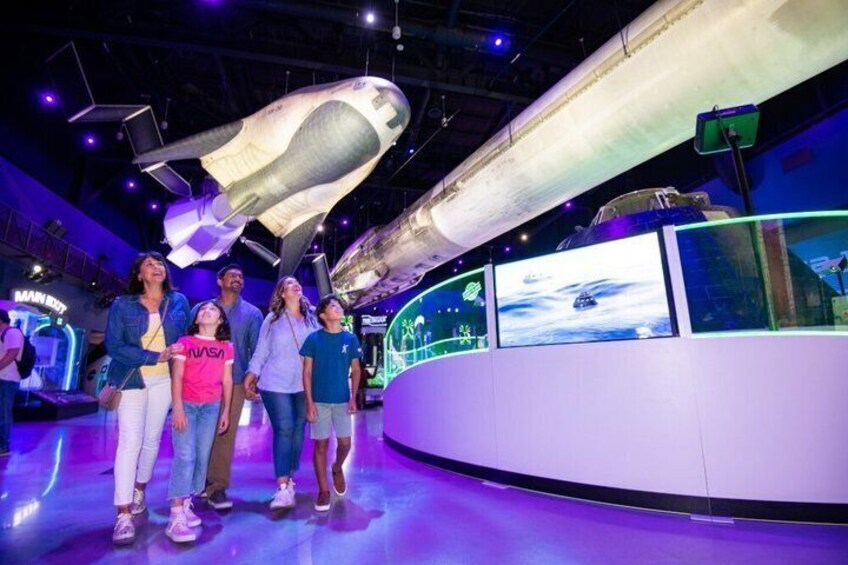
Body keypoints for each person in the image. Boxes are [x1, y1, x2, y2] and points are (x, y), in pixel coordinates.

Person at [105, 252, 190, 545]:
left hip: (165, 381)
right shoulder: (123, 304)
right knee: (130, 442)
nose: (157, 267)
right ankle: (123, 513)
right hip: (132, 378)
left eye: (160, 263)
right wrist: (154, 356)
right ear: (139, 274)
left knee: (152, 440)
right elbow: (114, 345)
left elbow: (186, 338)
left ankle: (139, 490)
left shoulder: (178, 302)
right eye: (149, 264)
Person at [192, 264, 262, 510]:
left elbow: (256, 350)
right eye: (232, 275)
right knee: (199, 433)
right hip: (201, 381)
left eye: (241, 276)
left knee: (225, 434)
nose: (238, 278)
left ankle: (218, 486)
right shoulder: (202, 310)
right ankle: (198, 482)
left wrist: (253, 380)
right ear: (219, 281)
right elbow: (189, 341)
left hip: (236, 381)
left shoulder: (252, 314)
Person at [244, 276, 318, 510]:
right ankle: (283, 486)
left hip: (304, 385)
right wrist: (252, 373)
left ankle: (290, 472)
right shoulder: (272, 319)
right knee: (284, 429)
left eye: (297, 283)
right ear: (282, 293)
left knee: (298, 430)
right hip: (275, 383)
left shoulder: (313, 317)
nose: (295, 285)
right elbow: (261, 350)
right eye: (289, 284)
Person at [166, 300, 234, 543]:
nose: (207, 311)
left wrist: (226, 411)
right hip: (187, 404)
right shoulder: (185, 343)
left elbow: (227, 380)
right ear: (196, 319)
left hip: (211, 407)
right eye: (202, 309)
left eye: (213, 309)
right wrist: (177, 407)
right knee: (185, 455)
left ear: (220, 319)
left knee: (202, 456)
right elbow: (177, 376)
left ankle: (187, 502)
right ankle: (175, 514)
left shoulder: (226, 347)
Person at [301, 294, 362, 512]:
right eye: (333, 306)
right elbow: (306, 373)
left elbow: (356, 370)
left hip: (342, 401)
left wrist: (353, 397)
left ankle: (337, 467)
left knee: (345, 444)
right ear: (323, 315)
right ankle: (323, 490)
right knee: (321, 445)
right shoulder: (313, 339)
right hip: (319, 401)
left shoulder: (350, 339)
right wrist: (309, 402)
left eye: (339, 306)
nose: (338, 308)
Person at [0, 310, 23, 457]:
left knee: (3, 412)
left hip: (7, 379)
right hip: (3, 378)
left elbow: (12, 353)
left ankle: (3, 446)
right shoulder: (4, 333)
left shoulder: (12, 332)